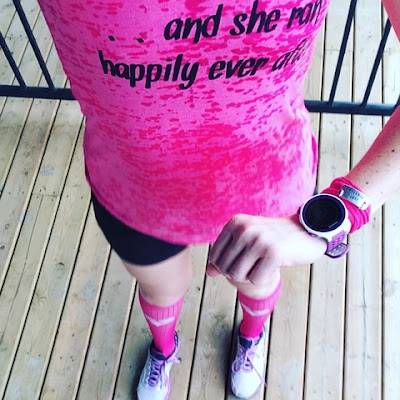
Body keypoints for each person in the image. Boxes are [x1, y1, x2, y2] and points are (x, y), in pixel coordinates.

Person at [37, 0, 400, 398]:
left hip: (269, 186)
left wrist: (342, 212)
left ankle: (251, 336)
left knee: (257, 283)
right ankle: (163, 349)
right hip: (134, 191)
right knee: (162, 290)